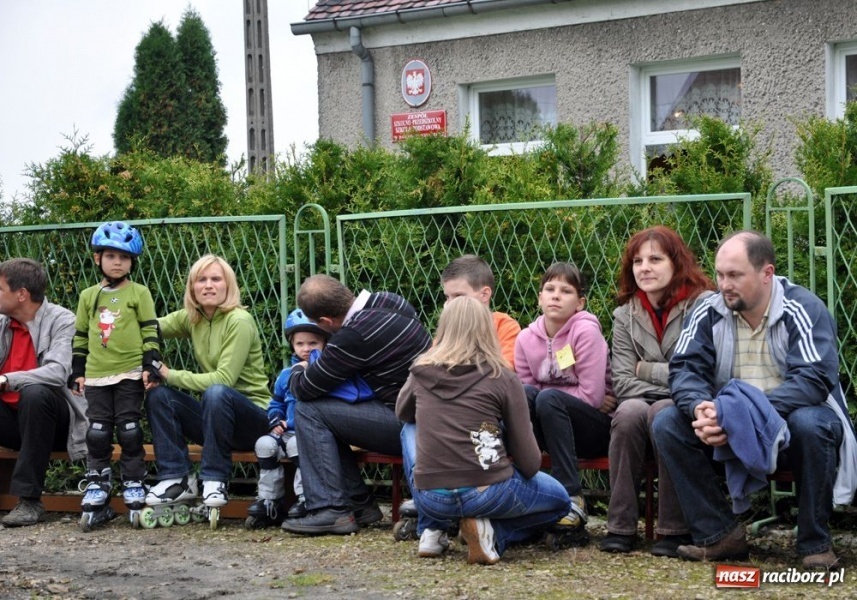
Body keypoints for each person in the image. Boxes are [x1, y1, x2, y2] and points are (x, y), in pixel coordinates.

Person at [651, 231, 857, 569]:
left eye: (735, 275)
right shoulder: (708, 309)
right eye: (719, 274)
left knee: (812, 422)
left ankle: (814, 543)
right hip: (729, 423)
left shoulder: (804, 308)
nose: (724, 284)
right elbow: (685, 368)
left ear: (766, 273)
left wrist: (745, 413)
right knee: (668, 423)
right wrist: (701, 408)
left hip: (790, 425)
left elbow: (815, 378)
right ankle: (719, 535)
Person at [397, 296, 570, 564]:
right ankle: (494, 533)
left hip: (430, 499)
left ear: (443, 329)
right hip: (488, 492)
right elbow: (530, 463)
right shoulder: (502, 376)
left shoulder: (420, 370)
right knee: (561, 502)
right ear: (487, 328)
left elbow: (403, 414)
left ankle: (432, 528)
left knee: (409, 427)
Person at [280, 274, 432, 536]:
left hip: (409, 423)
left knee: (310, 410)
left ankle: (331, 510)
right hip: (432, 413)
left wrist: (297, 370)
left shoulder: (354, 336)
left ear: (326, 321)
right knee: (327, 412)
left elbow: (306, 389)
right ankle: (359, 504)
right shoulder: (391, 300)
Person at [600, 226, 715, 556]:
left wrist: (647, 369)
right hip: (642, 400)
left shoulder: (703, 305)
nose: (644, 268)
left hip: (688, 404)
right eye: (637, 261)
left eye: (655, 259)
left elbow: (704, 374)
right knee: (628, 411)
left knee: (661, 412)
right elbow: (621, 381)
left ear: (676, 262)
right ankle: (620, 526)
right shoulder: (625, 314)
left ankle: (673, 529)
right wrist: (673, 376)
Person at [143, 254, 270, 516]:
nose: (208, 285)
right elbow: (149, 328)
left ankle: (215, 480)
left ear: (228, 286)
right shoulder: (194, 317)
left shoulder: (239, 321)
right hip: (217, 423)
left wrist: (168, 373)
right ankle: (177, 478)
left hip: (254, 421)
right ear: (192, 288)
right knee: (159, 396)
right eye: (201, 280)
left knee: (216, 391)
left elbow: (224, 379)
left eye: (216, 279)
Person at [70, 221, 162, 530]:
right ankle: (98, 483)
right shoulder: (88, 296)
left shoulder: (139, 292)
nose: (118, 262)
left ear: (132, 261)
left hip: (129, 373)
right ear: (98, 259)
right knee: (96, 431)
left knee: (129, 429)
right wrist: (78, 371)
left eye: (124, 257)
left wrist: (151, 363)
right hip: (96, 375)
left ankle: (134, 480)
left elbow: (150, 329)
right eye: (111, 256)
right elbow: (81, 335)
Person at [247, 308, 374, 528]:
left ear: (325, 342)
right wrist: (276, 420)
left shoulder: (327, 370)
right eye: (300, 344)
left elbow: (323, 408)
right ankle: (269, 499)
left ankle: (306, 498)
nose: (306, 349)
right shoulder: (287, 374)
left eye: (313, 344)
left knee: (300, 446)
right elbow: (276, 402)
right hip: (283, 431)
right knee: (264, 445)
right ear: (292, 345)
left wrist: (293, 423)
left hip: (306, 433)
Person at [514, 262, 613, 539]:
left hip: (592, 429)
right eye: (550, 289)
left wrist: (549, 394)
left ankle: (571, 496)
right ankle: (528, 495)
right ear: (539, 297)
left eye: (566, 291)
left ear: (580, 302)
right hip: (550, 426)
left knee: (546, 399)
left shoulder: (585, 332)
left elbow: (593, 397)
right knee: (525, 396)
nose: (556, 295)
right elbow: (528, 396)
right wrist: (548, 394)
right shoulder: (525, 339)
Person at [0, 258, 87, 527]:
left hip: (54, 423)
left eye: (0, 289)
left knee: (35, 393)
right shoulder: (1, 322)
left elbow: (58, 372)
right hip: (13, 424)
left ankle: (29, 501)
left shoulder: (63, 320)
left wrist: (6, 379)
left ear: (21, 294)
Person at [441, 254, 521, 368]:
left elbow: (505, 370)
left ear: (484, 294)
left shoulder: (504, 326)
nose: (450, 305)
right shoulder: (449, 329)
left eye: (458, 296)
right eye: (447, 297)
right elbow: (433, 365)